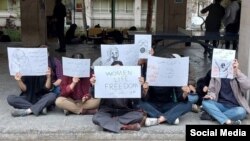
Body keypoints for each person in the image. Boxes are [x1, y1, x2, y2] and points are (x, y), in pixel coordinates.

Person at [90, 61, 146, 133]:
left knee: (139, 115)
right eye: (114, 71)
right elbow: (94, 96)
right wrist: (94, 85)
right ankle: (125, 126)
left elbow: (136, 100)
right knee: (96, 118)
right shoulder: (104, 80)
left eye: (119, 71)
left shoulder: (129, 81)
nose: (117, 73)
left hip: (125, 111)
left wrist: (139, 86)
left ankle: (109, 123)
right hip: (107, 110)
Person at [138, 54, 192, 127]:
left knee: (188, 105)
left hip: (168, 104)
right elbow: (145, 98)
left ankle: (159, 119)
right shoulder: (152, 73)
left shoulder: (174, 76)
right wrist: (145, 90)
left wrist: (185, 93)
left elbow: (180, 98)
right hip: (152, 104)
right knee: (138, 103)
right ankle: (170, 117)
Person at [202, 59, 250, 125]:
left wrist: (237, 72)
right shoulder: (216, 76)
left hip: (235, 107)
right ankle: (226, 120)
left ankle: (212, 116)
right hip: (220, 105)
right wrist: (210, 96)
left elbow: (247, 86)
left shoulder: (237, 75)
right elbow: (212, 90)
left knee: (241, 112)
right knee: (205, 102)